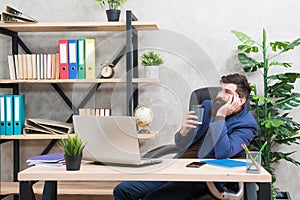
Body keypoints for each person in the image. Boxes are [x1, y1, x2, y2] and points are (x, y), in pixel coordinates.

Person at [113, 73, 258, 200]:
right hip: (179, 166)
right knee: (123, 190)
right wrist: (183, 132)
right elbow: (181, 145)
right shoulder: (207, 106)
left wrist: (220, 117)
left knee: (154, 197)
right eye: (220, 90)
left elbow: (223, 153)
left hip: (203, 177)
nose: (220, 95)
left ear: (241, 100)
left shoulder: (247, 125)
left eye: (227, 92)